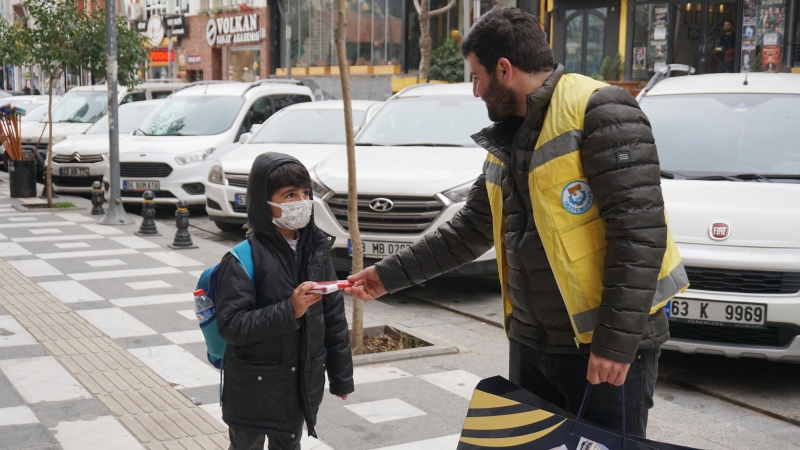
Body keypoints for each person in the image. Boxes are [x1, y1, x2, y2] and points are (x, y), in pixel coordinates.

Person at [347, 6, 687, 438]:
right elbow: (470, 228)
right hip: (533, 342)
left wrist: (615, 344)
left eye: (476, 77)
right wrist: (387, 276)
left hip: (601, 349)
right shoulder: (509, 132)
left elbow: (638, 234)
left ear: (504, 69)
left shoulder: (601, 110)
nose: (475, 91)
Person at [215, 153, 354, 450]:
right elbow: (231, 325)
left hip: (299, 385)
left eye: (305, 192)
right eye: (289, 194)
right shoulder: (242, 257)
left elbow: (333, 317)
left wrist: (341, 377)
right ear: (264, 203)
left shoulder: (317, 250)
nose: (301, 201)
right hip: (252, 387)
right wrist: (290, 310)